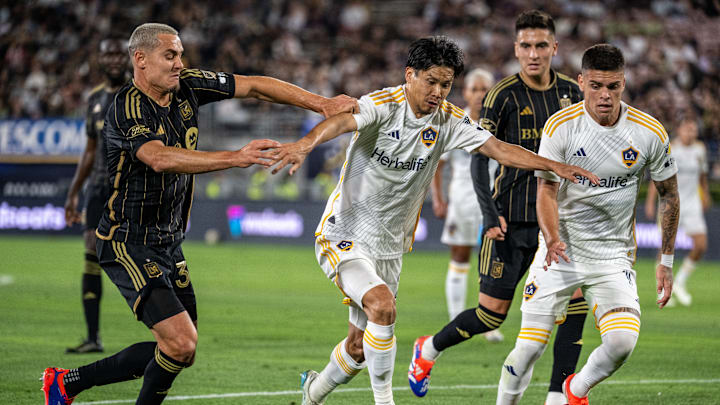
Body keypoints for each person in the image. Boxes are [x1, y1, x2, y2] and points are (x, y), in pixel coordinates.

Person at [269, 36, 598, 405]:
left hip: (389, 246)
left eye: (446, 84)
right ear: (410, 75)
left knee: (359, 347)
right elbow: (341, 122)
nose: (439, 91)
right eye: (432, 82)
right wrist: (305, 143)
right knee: (383, 306)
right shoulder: (383, 105)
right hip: (344, 233)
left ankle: (312, 393)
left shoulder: (450, 120)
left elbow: (499, 149)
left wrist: (553, 165)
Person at [42, 23, 356, 405]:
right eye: (169, 55)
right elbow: (157, 158)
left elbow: (254, 85)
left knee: (181, 351)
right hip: (128, 240)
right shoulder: (125, 107)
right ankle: (72, 385)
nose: (179, 63)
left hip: (169, 242)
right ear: (140, 60)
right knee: (180, 341)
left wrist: (320, 103)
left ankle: (66, 383)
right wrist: (235, 157)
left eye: (180, 54)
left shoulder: (188, 84)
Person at [410, 10, 588, 404]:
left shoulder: (573, 95)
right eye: (526, 45)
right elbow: (479, 157)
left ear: (554, 48)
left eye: (541, 45)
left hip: (556, 225)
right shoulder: (502, 95)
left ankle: (560, 393)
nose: (534, 53)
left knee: (575, 303)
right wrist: (491, 215)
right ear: (516, 49)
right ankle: (427, 350)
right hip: (510, 221)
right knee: (491, 315)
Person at [495, 43, 679, 405]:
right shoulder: (562, 127)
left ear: (624, 84)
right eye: (596, 85)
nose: (605, 95)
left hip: (612, 256)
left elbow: (669, 194)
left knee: (622, 342)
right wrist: (550, 238)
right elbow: (546, 188)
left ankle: (574, 390)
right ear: (581, 82)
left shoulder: (648, 132)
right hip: (560, 252)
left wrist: (667, 260)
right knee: (528, 349)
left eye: (612, 86)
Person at [63, 36, 129, 354]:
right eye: (109, 54)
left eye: (120, 53)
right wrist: (73, 193)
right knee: (91, 256)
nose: (115, 59)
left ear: (129, 58)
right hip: (98, 188)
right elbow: (89, 151)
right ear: (100, 60)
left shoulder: (139, 95)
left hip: (130, 189)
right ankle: (93, 337)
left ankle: (170, 331)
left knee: (141, 259)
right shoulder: (94, 99)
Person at [429, 68, 502, 342]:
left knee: (494, 262)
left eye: (486, 89)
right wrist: (438, 198)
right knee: (460, 258)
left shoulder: (501, 121)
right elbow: (438, 164)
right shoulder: (454, 121)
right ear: (467, 92)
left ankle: (488, 320)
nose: (481, 95)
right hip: (461, 200)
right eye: (476, 89)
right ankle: (456, 318)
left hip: (493, 202)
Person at [645, 116, 709, 306]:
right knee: (665, 246)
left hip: (692, 204)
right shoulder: (671, 148)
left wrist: (705, 194)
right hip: (671, 203)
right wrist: (650, 202)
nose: (691, 132)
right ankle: (662, 289)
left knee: (701, 245)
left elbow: (703, 176)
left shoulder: (700, 150)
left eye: (693, 129)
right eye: (688, 129)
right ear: (680, 130)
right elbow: (657, 178)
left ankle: (680, 281)